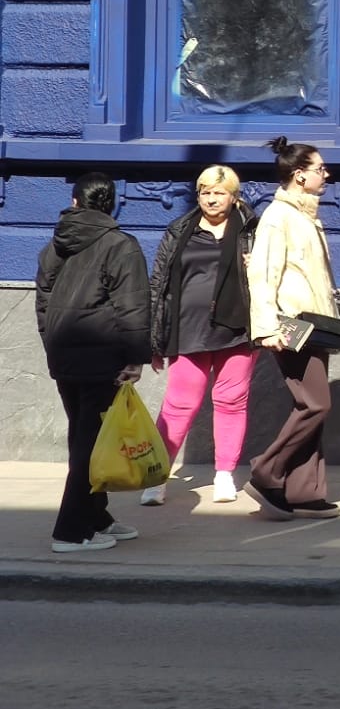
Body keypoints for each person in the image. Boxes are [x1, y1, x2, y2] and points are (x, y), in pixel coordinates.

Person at [35, 172, 151, 552]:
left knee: (85, 437)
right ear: (112, 204)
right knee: (90, 443)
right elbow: (132, 306)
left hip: (65, 356)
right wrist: (135, 358)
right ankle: (70, 532)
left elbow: (42, 303)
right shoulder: (121, 245)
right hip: (103, 357)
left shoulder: (55, 245)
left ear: (75, 202)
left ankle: (96, 516)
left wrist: (52, 343)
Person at [142, 166, 256, 507]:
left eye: (219, 193)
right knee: (179, 404)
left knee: (231, 401)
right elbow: (158, 284)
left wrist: (257, 267)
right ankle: (157, 476)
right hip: (187, 329)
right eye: (205, 192)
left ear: (234, 197)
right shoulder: (180, 230)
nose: (211, 199)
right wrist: (154, 338)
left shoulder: (253, 230)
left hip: (237, 330)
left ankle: (224, 475)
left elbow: (275, 275)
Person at [244, 137, 340, 520]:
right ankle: (266, 471)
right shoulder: (278, 217)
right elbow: (262, 274)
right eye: (320, 168)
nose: (326, 174)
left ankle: (304, 491)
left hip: (314, 323)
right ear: (299, 175)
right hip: (290, 325)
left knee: (309, 406)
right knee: (316, 404)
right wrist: (267, 327)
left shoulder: (306, 217)